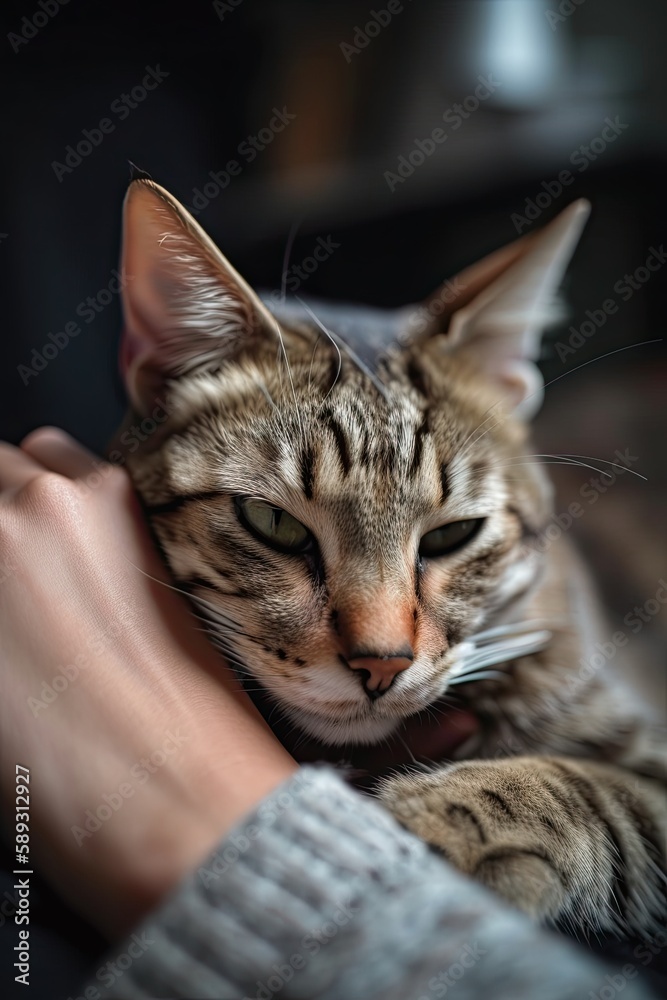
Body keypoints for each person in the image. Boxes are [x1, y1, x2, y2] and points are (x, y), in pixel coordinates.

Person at [0, 428, 657, 1000]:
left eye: (450, 535)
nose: (381, 650)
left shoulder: (555, 638)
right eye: (281, 527)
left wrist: (519, 814)